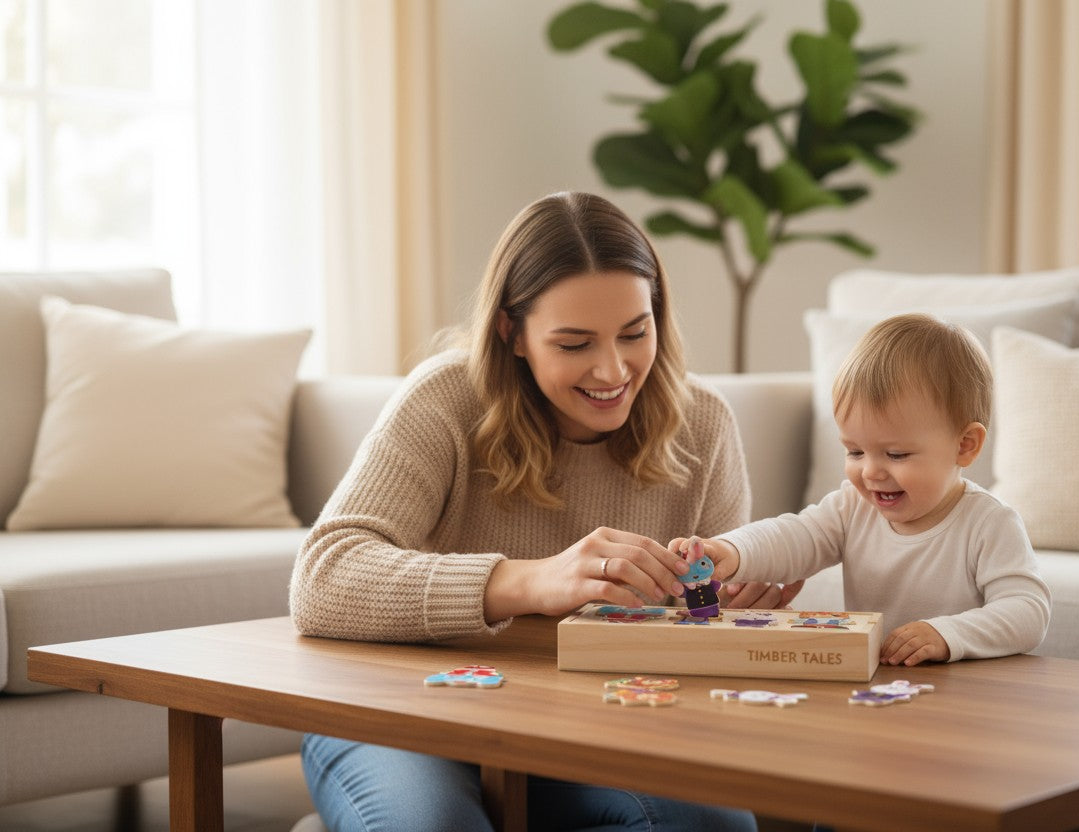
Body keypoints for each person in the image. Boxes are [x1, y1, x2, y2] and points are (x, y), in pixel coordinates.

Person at [290, 191, 794, 832]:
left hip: (585, 724)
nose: (613, 369)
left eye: (635, 333)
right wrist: (531, 581)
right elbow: (323, 578)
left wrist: (731, 616)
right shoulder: (445, 399)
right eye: (575, 343)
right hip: (401, 713)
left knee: (712, 826)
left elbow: (698, 625)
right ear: (511, 332)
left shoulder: (702, 425)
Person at [672, 313, 1051, 668]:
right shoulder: (853, 507)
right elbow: (794, 536)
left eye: (897, 454)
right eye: (854, 451)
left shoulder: (989, 522)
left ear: (965, 445)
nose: (870, 471)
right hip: (880, 684)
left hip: (964, 693)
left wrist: (947, 634)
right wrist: (732, 551)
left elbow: (1028, 611)